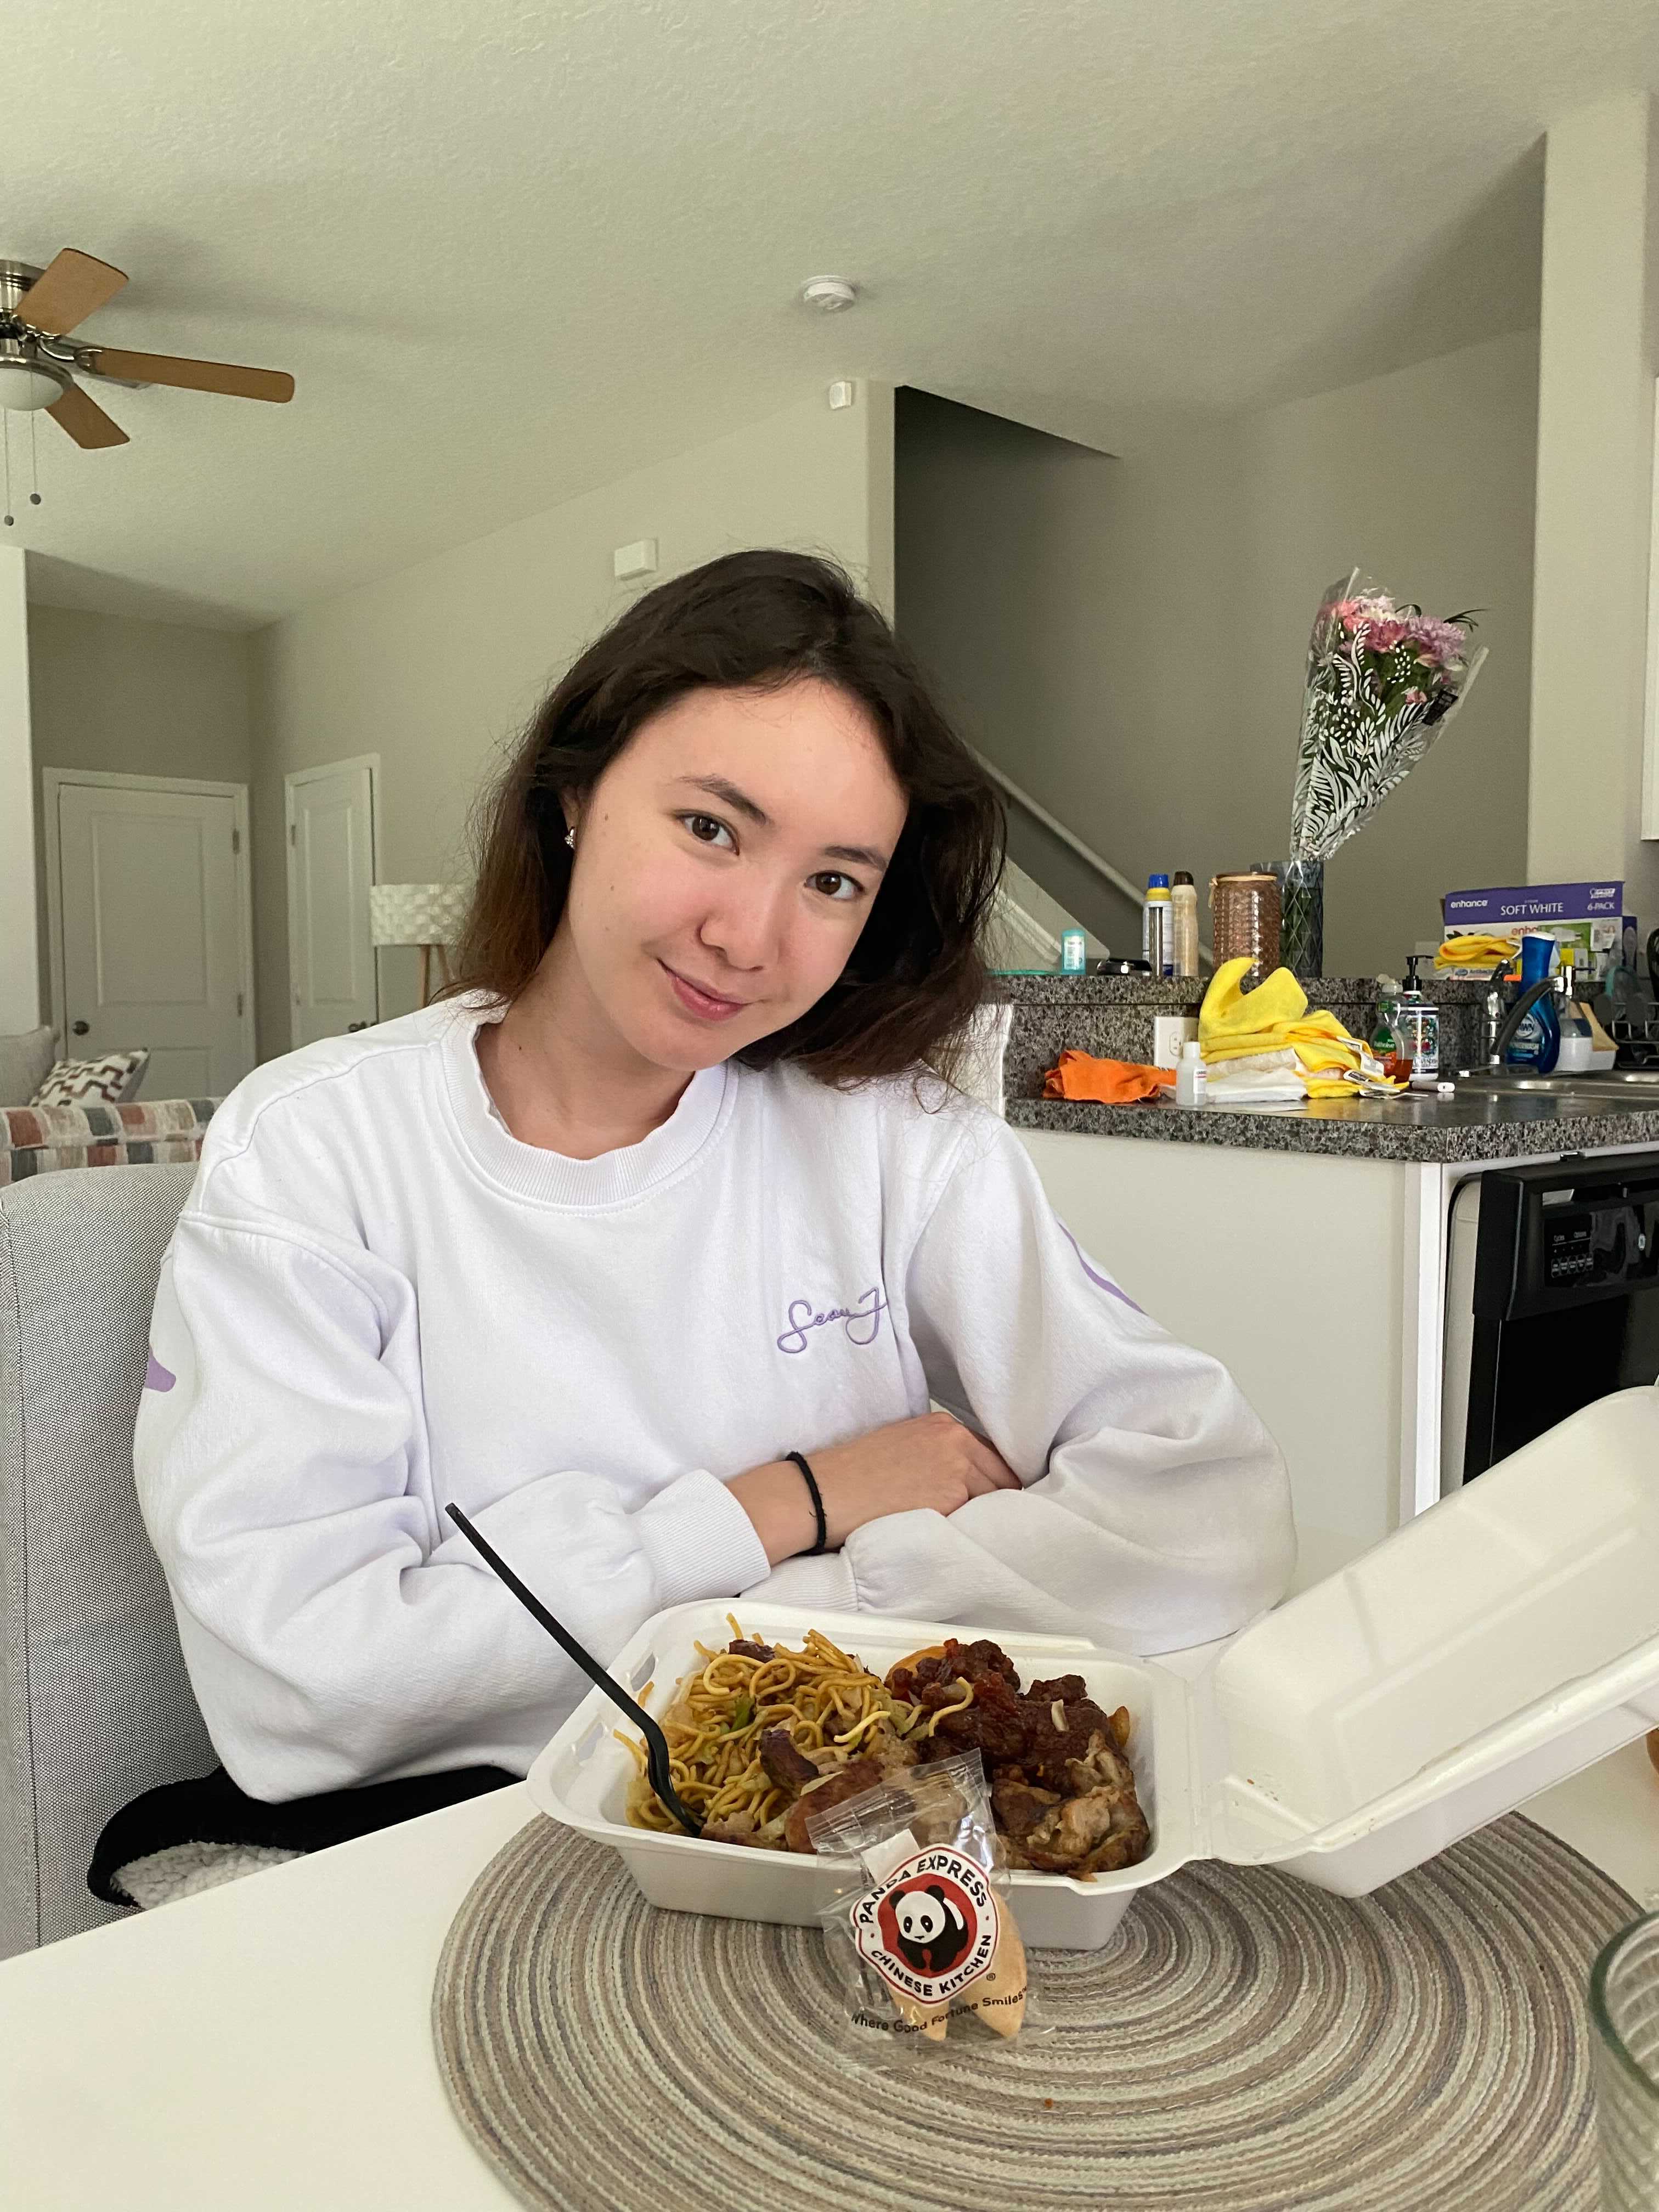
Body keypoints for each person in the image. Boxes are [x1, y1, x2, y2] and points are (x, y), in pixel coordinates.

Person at [129, 549, 1294, 1829]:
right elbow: (308, 1690)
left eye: (834, 882)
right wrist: (791, 1502)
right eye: (710, 829)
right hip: (463, 1852)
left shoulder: (895, 1136)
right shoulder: (314, 1153)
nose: (751, 938)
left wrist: (801, 1617)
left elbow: (1211, 1516)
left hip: (862, 1830)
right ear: (573, 795)